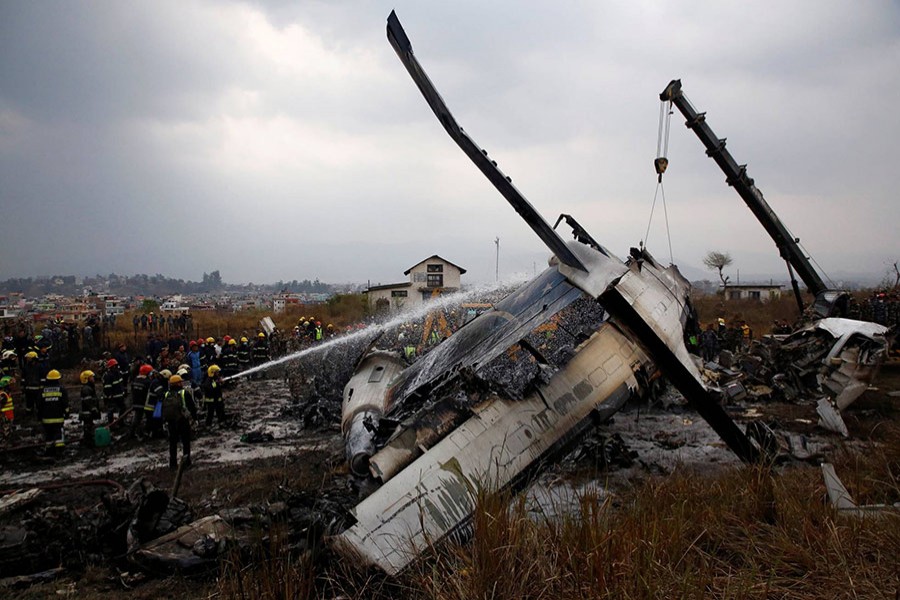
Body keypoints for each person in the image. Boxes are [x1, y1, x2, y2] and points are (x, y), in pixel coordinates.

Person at [162, 374, 198, 470]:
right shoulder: (184, 393)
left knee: (173, 443)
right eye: (180, 382)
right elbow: (192, 407)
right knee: (186, 442)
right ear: (178, 383)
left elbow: (163, 408)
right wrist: (195, 419)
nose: (182, 383)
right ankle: (187, 463)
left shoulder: (166, 394)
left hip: (171, 422)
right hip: (183, 421)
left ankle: (173, 464)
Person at [38, 369, 68, 452]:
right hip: (58, 417)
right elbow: (65, 403)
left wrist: (39, 416)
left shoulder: (42, 390)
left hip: (46, 419)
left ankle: (49, 450)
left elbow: (39, 404)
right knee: (58, 434)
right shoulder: (61, 389)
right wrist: (67, 412)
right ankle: (60, 450)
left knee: (48, 435)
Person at [129, 364, 153, 438]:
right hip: (144, 403)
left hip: (136, 402)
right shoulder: (147, 382)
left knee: (136, 418)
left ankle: (132, 432)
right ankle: (143, 432)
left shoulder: (136, 379)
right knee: (149, 418)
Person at [79, 370, 100, 446]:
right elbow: (88, 401)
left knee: (89, 425)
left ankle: (89, 440)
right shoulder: (86, 389)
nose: (93, 379)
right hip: (87, 413)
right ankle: (88, 441)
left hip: (88, 412)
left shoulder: (89, 388)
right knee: (88, 426)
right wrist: (93, 409)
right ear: (86, 379)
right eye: (91, 377)